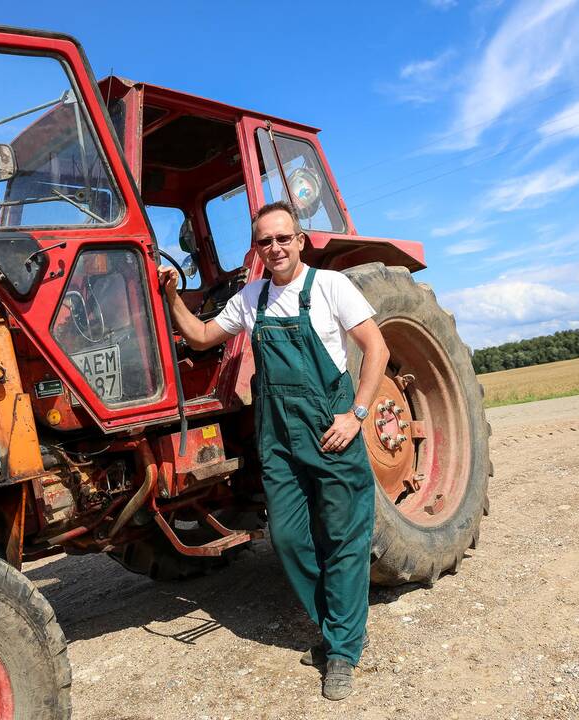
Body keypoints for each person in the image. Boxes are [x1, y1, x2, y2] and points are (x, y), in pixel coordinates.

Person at [158, 200, 389, 701]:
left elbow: (377, 348)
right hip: (279, 438)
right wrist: (172, 296)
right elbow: (199, 337)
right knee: (287, 538)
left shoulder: (331, 287)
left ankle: (343, 650)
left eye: (284, 238)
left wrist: (358, 415)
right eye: (266, 241)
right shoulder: (251, 297)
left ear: (300, 240)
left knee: (345, 540)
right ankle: (337, 629)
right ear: (258, 248)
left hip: (331, 430)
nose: (276, 248)